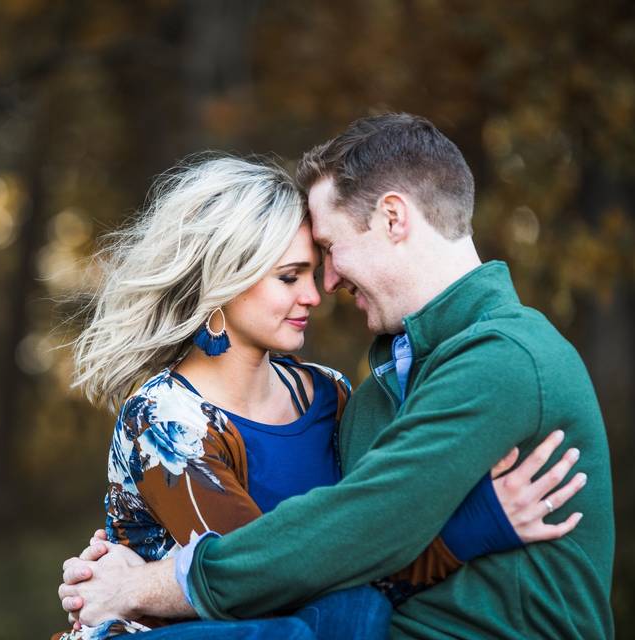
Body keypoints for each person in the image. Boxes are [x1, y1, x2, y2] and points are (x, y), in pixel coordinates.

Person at [58, 148, 595, 638]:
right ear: (223, 281)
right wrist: (470, 529)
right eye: (290, 277)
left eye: (315, 271)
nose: (317, 294)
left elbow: (357, 537)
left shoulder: (328, 393)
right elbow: (269, 586)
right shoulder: (166, 419)